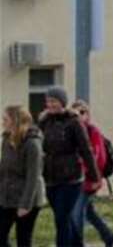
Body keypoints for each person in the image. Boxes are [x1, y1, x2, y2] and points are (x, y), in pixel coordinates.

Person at [39, 86, 99, 247]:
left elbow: (86, 149)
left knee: (62, 218)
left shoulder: (74, 122)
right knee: (63, 218)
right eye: (48, 101)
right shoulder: (44, 122)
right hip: (51, 178)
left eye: (54, 101)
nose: (50, 104)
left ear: (62, 102)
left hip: (71, 178)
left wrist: (94, 176)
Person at [69, 100, 113, 247]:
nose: (79, 116)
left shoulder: (93, 132)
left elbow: (98, 158)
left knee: (76, 213)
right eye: (75, 113)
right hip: (75, 180)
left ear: (88, 115)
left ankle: (77, 244)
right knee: (88, 212)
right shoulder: (72, 132)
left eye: (82, 112)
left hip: (89, 180)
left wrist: (91, 174)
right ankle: (109, 236)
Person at [0, 105, 42, 247]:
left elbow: (33, 177)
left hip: (27, 200)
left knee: (23, 241)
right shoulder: (6, 140)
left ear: (16, 121)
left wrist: (25, 205)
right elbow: (4, 169)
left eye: (5, 119)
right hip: (7, 198)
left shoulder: (32, 143)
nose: (2, 122)